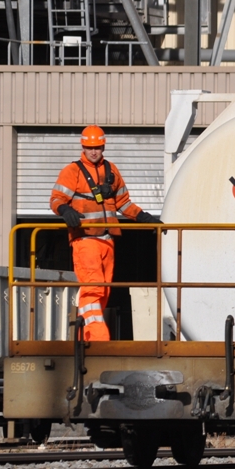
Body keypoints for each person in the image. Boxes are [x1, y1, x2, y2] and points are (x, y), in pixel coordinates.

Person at [50, 125, 160, 341]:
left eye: (97, 147)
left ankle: (87, 335)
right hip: (85, 240)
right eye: (90, 147)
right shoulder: (72, 171)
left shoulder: (111, 170)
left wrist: (145, 217)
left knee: (104, 291)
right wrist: (65, 210)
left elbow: (123, 203)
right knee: (93, 289)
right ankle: (97, 338)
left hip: (107, 241)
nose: (93, 151)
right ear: (83, 147)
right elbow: (56, 199)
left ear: (103, 146)